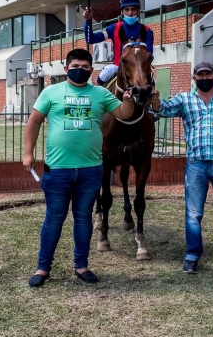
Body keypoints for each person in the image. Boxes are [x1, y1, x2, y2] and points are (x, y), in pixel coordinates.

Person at [23, 48, 135, 288]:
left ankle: (81, 266)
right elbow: (33, 122)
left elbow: (124, 114)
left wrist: (127, 101)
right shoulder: (51, 92)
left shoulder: (100, 94)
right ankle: (43, 268)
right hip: (58, 169)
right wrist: (28, 153)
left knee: (83, 218)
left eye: (85, 67)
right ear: (66, 69)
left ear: (91, 70)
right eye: (75, 66)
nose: (80, 70)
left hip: (90, 169)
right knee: (54, 219)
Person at [150, 62, 213, 274]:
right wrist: (156, 101)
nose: (205, 78)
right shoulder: (186, 99)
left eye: (208, 74)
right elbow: (162, 110)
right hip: (197, 164)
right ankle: (192, 255)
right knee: (193, 213)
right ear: (194, 78)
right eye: (200, 75)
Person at [83, 0, 155, 85]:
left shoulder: (148, 31)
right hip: (117, 67)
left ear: (138, 11)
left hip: (140, 69)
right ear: (122, 11)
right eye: (127, 9)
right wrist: (88, 21)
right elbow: (91, 39)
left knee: (152, 81)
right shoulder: (113, 28)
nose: (130, 13)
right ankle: (97, 95)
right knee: (106, 73)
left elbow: (149, 56)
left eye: (133, 9)